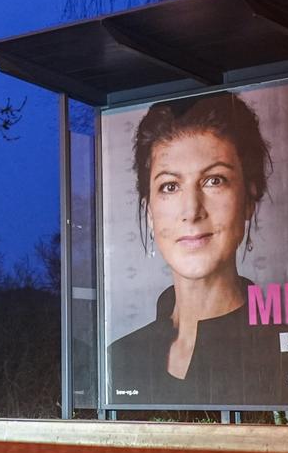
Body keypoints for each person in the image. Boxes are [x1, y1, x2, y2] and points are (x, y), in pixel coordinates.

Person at [108, 91, 276, 405]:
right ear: (149, 209)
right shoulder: (118, 358)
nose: (192, 210)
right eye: (170, 186)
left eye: (214, 180)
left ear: (250, 197)